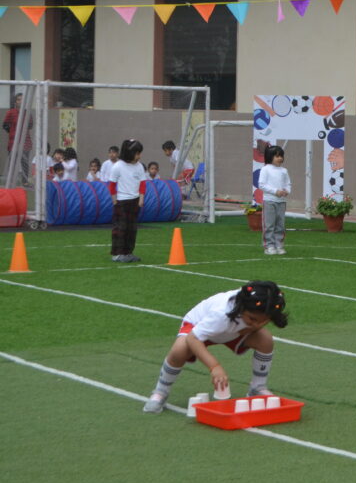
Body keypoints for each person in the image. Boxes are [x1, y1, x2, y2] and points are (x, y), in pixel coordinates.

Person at [142, 280, 288, 413]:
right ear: (241, 307)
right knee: (180, 349)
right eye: (252, 319)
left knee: (265, 339)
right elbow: (194, 338)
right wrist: (214, 367)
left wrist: (250, 327)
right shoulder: (221, 314)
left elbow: (256, 324)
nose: (257, 324)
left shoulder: (259, 307)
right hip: (197, 330)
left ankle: (257, 387)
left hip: (232, 331)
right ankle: (160, 392)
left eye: (264, 321)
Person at [109, 139, 146, 263]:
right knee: (120, 228)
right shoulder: (118, 166)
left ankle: (128, 252)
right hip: (122, 202)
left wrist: (141, 198)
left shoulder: (139, 166)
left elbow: (142, 183)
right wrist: (114, 201)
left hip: (134, 202)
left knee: (132, 229)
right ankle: (117, 253)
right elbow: (112, 185)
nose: (139, 156)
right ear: (129, 153)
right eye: (137, 153)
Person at [258, 145, 291, 255]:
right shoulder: (265, 169)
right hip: (269, 201)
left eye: (281, 156)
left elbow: (288, 183)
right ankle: (269, 246)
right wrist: (275, 191)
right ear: (270, 156)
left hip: (281, 202)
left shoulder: (284, 171)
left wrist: (286, 191)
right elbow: (261, 185)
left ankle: (279, 245)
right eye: (277, 156)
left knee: (280, 225)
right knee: (269, 224)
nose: (280, 158)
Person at [3, 93, 32, 185]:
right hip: (13, 142)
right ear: (16, 101)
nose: (21, 101)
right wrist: (13, 133)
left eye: (22, 99)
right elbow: (5, 125)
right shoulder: (10, 112)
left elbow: (30, 125)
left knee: (25, 163)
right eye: (19, 99)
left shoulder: (27, 113)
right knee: (12, 162)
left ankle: (25, 181)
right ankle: (11, 181)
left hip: (25, 142)